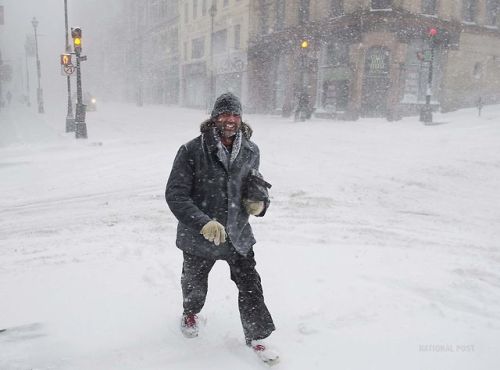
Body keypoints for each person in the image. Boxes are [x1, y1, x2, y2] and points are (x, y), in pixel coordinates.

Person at [165, 92, 278, 364]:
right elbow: (176, 194)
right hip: (200, 235)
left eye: (235, 115)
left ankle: (258, 337)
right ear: (214, 118)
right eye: (224, 114)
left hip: (237, 234)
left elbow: (253, 182)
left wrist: (259, 202)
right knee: (193, 282)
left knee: (251, 285)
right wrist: (203, 222)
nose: (230, 120)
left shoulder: (251, 150)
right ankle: (191, 313)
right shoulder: (192, 150)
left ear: (241, 118)